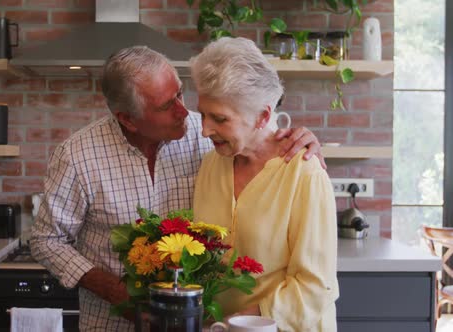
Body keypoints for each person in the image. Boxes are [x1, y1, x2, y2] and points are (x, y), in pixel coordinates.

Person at [30, 45, 324, 331]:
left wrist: (302, 140)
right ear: (128, 120)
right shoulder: (78, 156)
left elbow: (252, 125)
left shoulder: (206, 136)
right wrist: (118, 292)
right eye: (167, 106)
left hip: (194, 322)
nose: (184, 112)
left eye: (180, 95)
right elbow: (46, 240)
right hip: (111, 322)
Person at [190, 37, 339, 332]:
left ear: (263, 116)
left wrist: (242, 323)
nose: (205, 129)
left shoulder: (303, 173)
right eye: (203, 114)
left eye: (219, 118)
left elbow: (316, 284)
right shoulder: (211, 164)